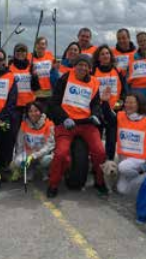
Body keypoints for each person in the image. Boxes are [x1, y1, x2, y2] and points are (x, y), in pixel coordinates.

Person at [45, 54, 107, 198]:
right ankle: (53, 184)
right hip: (67, 124)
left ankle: (99, 181)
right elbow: (54, 103)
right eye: (80, 64)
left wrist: (96, 115)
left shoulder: (94, 83)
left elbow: (96, 104)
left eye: (85, 65)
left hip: (86, 124)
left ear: (89, 68)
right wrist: (64, 118)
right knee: (60, 153)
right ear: (75, 66)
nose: (82, 67)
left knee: (100, 152)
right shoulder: (65, 78)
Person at [113, 93, 146, 195]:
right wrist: (105, 103)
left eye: (132, 102)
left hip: (139, 160)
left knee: (123, 168)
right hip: (124, 159)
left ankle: (144, 174)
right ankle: (135, 179)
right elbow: (109, 119)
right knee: (123, 190)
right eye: (126, 102)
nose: (128, 105)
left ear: (139, 105)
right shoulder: (120, 116)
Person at [92, 45, 126, 160]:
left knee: (111, 139)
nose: (105, 56)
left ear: (111, 56)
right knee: (97, 139)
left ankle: (109, 162)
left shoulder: (117, 70)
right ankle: (97, 163)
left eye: (107, 53)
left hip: (114, 109)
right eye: (102, 54)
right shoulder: (93, 71)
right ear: (98, 57)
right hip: (98, 109)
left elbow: (124, 90)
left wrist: (120, 104)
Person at [11, 101, 54, 182]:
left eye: (36, 111)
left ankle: (45, 171)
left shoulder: (49, 124)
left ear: (41, 112)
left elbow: (49, 145)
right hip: (29, 153)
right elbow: (20, 143)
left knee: (46, 160)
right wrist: (20, 158)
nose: (33, 114)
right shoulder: (24, 124)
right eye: (30, 111)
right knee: (18, 161)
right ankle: (30, 169)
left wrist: (34, 155)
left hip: (43, 154)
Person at [128, 31, 146, 104]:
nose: (142, 43)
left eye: (144, 40)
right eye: (140, 41)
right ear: (137, 43)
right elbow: (128, 77)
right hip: (137, 93)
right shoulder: (132, 57)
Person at [31, 36, 56, 108]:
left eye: (43, 44)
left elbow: (54, 68)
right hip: (37, 92)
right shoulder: (30, 56)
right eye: (38, 44)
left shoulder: (50, 55)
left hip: (49, 91)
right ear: (35, 45)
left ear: (46, 46)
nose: (41, 46)